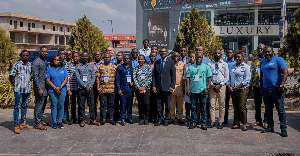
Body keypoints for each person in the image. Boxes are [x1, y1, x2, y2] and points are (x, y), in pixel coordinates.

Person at [260, 46, 288, 137]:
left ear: (272, 51)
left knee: (280, 110)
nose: (267, 54)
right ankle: (270, 126)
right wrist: (261, 88)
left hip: (276, 89)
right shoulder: (262, 62)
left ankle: (283, 129)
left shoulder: (278, 60)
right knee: (268, 109)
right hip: (266, 89)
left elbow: (285, 72)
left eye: (269, 52)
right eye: (265, 52)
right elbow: (261, 76)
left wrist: (281, 85)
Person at [9, 50, 33, 134]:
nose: (25, 57)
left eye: (27, 55)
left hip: (27, 89)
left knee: (25, 106)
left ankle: (23, 122)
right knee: (17, 107)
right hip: (19, 90)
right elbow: (11, 76)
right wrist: (15, 85)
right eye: (24, 55)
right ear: (21, 56)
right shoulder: (17, 65)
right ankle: (16, 125)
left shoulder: (30, 65)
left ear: (29, 56)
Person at [186, 52, 212, 130]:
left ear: (202, 58)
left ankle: (203, 123)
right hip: (193, 90)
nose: (198, 59)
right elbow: (188, 78)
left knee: (203, 108)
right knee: (193, 107)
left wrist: (207, 88)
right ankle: (194, 122)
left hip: (202, 90)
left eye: (200, 57)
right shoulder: (191, 67)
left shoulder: (206, 67)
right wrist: (188, 89)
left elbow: (209, 78)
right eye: (197, 57)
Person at [227, 51, 251, 131]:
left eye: (239, 57)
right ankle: (237, 123)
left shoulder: (246, 67)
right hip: (233, 89)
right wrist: (229, 86)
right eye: (236, 57)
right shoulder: (233, 67)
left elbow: (247, 79)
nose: (237, 58)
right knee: (235, 106)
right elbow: (230, 78)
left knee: (241, 106)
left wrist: (238, 87)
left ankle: (244, 124)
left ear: (242, 57)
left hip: (242, 89)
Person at [75, 52, 99, 127]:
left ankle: (92, 120)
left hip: (90, 88)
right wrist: (85, 86)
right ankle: (82, 120)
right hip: (81, 88)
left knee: (92, 105)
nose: (85, 58)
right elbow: (78, 78)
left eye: (86, 56)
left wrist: (90, 86)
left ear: (88, 57)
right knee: (81, 105)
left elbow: (93, 77)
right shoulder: (78, 66)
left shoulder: (91, 66)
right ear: (81, 57)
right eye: (83, 56)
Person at [152, 48, 176, 126]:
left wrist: (172, 86)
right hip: (159, 87)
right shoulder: (157, 62)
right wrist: (154, 86)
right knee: (159, 105)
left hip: (167, 87)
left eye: (164, 51)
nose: (163, 53)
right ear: (159, 53)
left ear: (166, 53)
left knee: (168, 105)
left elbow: (173, 75)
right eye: (161, 52)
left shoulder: (171, 62)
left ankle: (167, 119)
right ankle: (160, 119)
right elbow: (154, 75)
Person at [208, 49, 229, 129]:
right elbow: (208, 76)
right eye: (215, 53)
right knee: (212, 105)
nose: (217, 54)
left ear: (221, 54)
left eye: (218, 53)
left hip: (221, 86)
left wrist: (220, 85)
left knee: (222, 105)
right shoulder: (210, 64)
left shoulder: (224, 64)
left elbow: (227, 77)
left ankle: (220, 121)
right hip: (212, 86)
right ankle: (212, 121)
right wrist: (213, 85)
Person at [45, 55, 68, 129]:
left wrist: (60, 87)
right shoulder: (49, 69)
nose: (56, 61)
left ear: (60, 61)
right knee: (54, 106)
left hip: (62, 90)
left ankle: (60, 121)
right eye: (55, 60)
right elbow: (48, 80)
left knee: (61, 105)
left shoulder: (63, 69)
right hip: (52, 90)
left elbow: (66, 79)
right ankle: (54, 122)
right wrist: (55, 88)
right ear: (52, 61)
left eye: (58, 60)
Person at [97, 53, 118, 125]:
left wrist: (116, 88)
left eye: (108, 57)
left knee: (111, 105)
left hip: (111, 89)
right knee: (103, 105)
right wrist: (98, 87)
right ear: (103, 58)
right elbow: (98, 78)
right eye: (105, 57)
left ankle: (111, 119)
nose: (106, 59)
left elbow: (116, 79)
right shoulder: (100, 66)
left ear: (110, 58)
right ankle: (103, 119)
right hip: (103, 89)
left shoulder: (114, 67)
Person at [250, 44, 268, 129]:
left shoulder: (268, 59)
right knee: (257, 104)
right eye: (258, 49)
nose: (260, 50)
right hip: (256, 85)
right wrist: (250, 84)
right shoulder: (254, 59)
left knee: (267, 104)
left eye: (261, 48)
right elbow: (252, 72)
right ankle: (258, 120)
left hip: (266, 85)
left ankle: (266, 121)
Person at [32, 46, 49, 130]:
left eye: (46, 52)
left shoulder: (45, 62)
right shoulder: (36, 62)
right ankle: (38, 123)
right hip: (40, 87)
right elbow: (35, 76)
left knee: (43, 105)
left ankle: (41, 120)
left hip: (45, 87)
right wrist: (39, 88)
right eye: (43, 51)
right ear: (39, 52)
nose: (44, 53)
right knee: (39, 105)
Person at [133, 55, 153, 125]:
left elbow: (150, 78)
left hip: (146, 88)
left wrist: (144, 87)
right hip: (139, 89)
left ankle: (146, 118)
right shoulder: (136, 68)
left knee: (146, 103)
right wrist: (139, 87)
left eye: (142, 59)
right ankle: (141, 118)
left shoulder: (148, 67)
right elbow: (134, 78)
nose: (140, 60)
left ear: (144, 60)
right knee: (140, 103)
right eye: (139, 59)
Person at [116, 55, 134, 126]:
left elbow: (133, 77)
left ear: (130, 59)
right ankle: (122, 118)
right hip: (123, 90)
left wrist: (133, 82)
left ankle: (129, 117)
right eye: (125, 59)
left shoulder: (131, 68)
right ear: (123, 59)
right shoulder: (120, 67)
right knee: (123, 105)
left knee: (129, 105)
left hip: (130, 89)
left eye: (128, 59)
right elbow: (117, 80)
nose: (127, 60)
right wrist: (119, 89)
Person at [195, 46, 211, 125]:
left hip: (204, 87)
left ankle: (205, 120)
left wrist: (207, 87)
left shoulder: (208, 61)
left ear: (203, 51)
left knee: (205, 105)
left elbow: (209, 76)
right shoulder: (194, 61)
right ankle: (196, 120)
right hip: (195, 87)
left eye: (200, 50)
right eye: (197, 50)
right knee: (196, 106)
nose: (198, 51)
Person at [169, 52, 185, 124]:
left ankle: (179, 118)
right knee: (171, 105)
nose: (175, 57)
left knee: (180, 105)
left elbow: (184, 77)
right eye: (174, 56)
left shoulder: (183, 65)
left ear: (179, 57)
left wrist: (183, 88)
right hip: (172, 87)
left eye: (177, 56)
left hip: (180, 87)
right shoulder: (170, 64)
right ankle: (171, 117)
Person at [90, 51, 103, 120]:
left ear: (101, 55)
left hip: (102, 84)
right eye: (96, 54)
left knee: (102, 101)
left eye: (99, 54)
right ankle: (93, 117)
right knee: (93, 101)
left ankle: (102, 117)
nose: (97, 55)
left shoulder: (104, 63)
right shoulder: (91, 64)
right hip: (93, 84)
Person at [224, 49, 236, 124]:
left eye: (230, 52)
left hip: (234, 85)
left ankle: (235, 120)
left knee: (235, 103)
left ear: (233, 53)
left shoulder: (235, 62)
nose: (229, 54)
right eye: (228, 52)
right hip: (226, 85)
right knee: (225, 103)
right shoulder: (224, 63)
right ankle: (225, 119)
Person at [62, 50, 73, 124]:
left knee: (73, 103)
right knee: (65, 102)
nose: (68, 55)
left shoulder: (74, 63)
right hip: (65, 85)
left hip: (74, 86)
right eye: (67, 54)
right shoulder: (62, 63)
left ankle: (73, 117)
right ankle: (64, 117)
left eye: (70, 54)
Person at [68, 52, 80, 125]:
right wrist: (68, 89)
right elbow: (67, 77)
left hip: (79, 88)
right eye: (74, 56)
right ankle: (73, 118)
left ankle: (80, 118)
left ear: (79, 57)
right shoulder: (69, 66)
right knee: (72, 104)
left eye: (77, 56)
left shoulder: (81, 66)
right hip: (72, 87)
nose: (75, 58)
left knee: (80, 103)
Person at [184, 52, 196, 121]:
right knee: (187, 101)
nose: (191, 58)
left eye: (193, 57)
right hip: (187, 85)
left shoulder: (197, 66)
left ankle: (193, 117)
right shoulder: (187, 66)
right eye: (190, 57)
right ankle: (187, 115)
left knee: (193, 102)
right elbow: (184, 77)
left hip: (195, 86)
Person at [114, 51, 123, 121]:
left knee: (123, 102)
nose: (119, 56)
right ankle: (116, 116)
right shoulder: (114, 65)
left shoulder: (125, 64)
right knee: (115, 102)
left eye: (120, 55)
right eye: (118, 55)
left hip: (123, 85)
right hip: (115, 86)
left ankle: (123, 116)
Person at [148, 51, 157, 123]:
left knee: (156, 102)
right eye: (151, 56)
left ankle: (156, 117)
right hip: (149, 85)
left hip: (156, 86)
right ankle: (150, 117)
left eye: (154, 56)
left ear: (156, 57)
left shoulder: (158, 64)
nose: (153, 58)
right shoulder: (148, 65)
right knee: (150, 102)